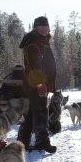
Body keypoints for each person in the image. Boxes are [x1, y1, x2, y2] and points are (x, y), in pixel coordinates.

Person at [17, 16, 57, 153]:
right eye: (42, 27)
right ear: (36, 28)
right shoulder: (34, 43)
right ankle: (42, 141)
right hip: (36, 84)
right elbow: (33, 66)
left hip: (37, 83)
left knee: (33, 112)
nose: (45, 29)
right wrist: (40, 84)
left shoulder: (41, 41)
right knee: (41, 111)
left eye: (47, 26)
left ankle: (22, 140)